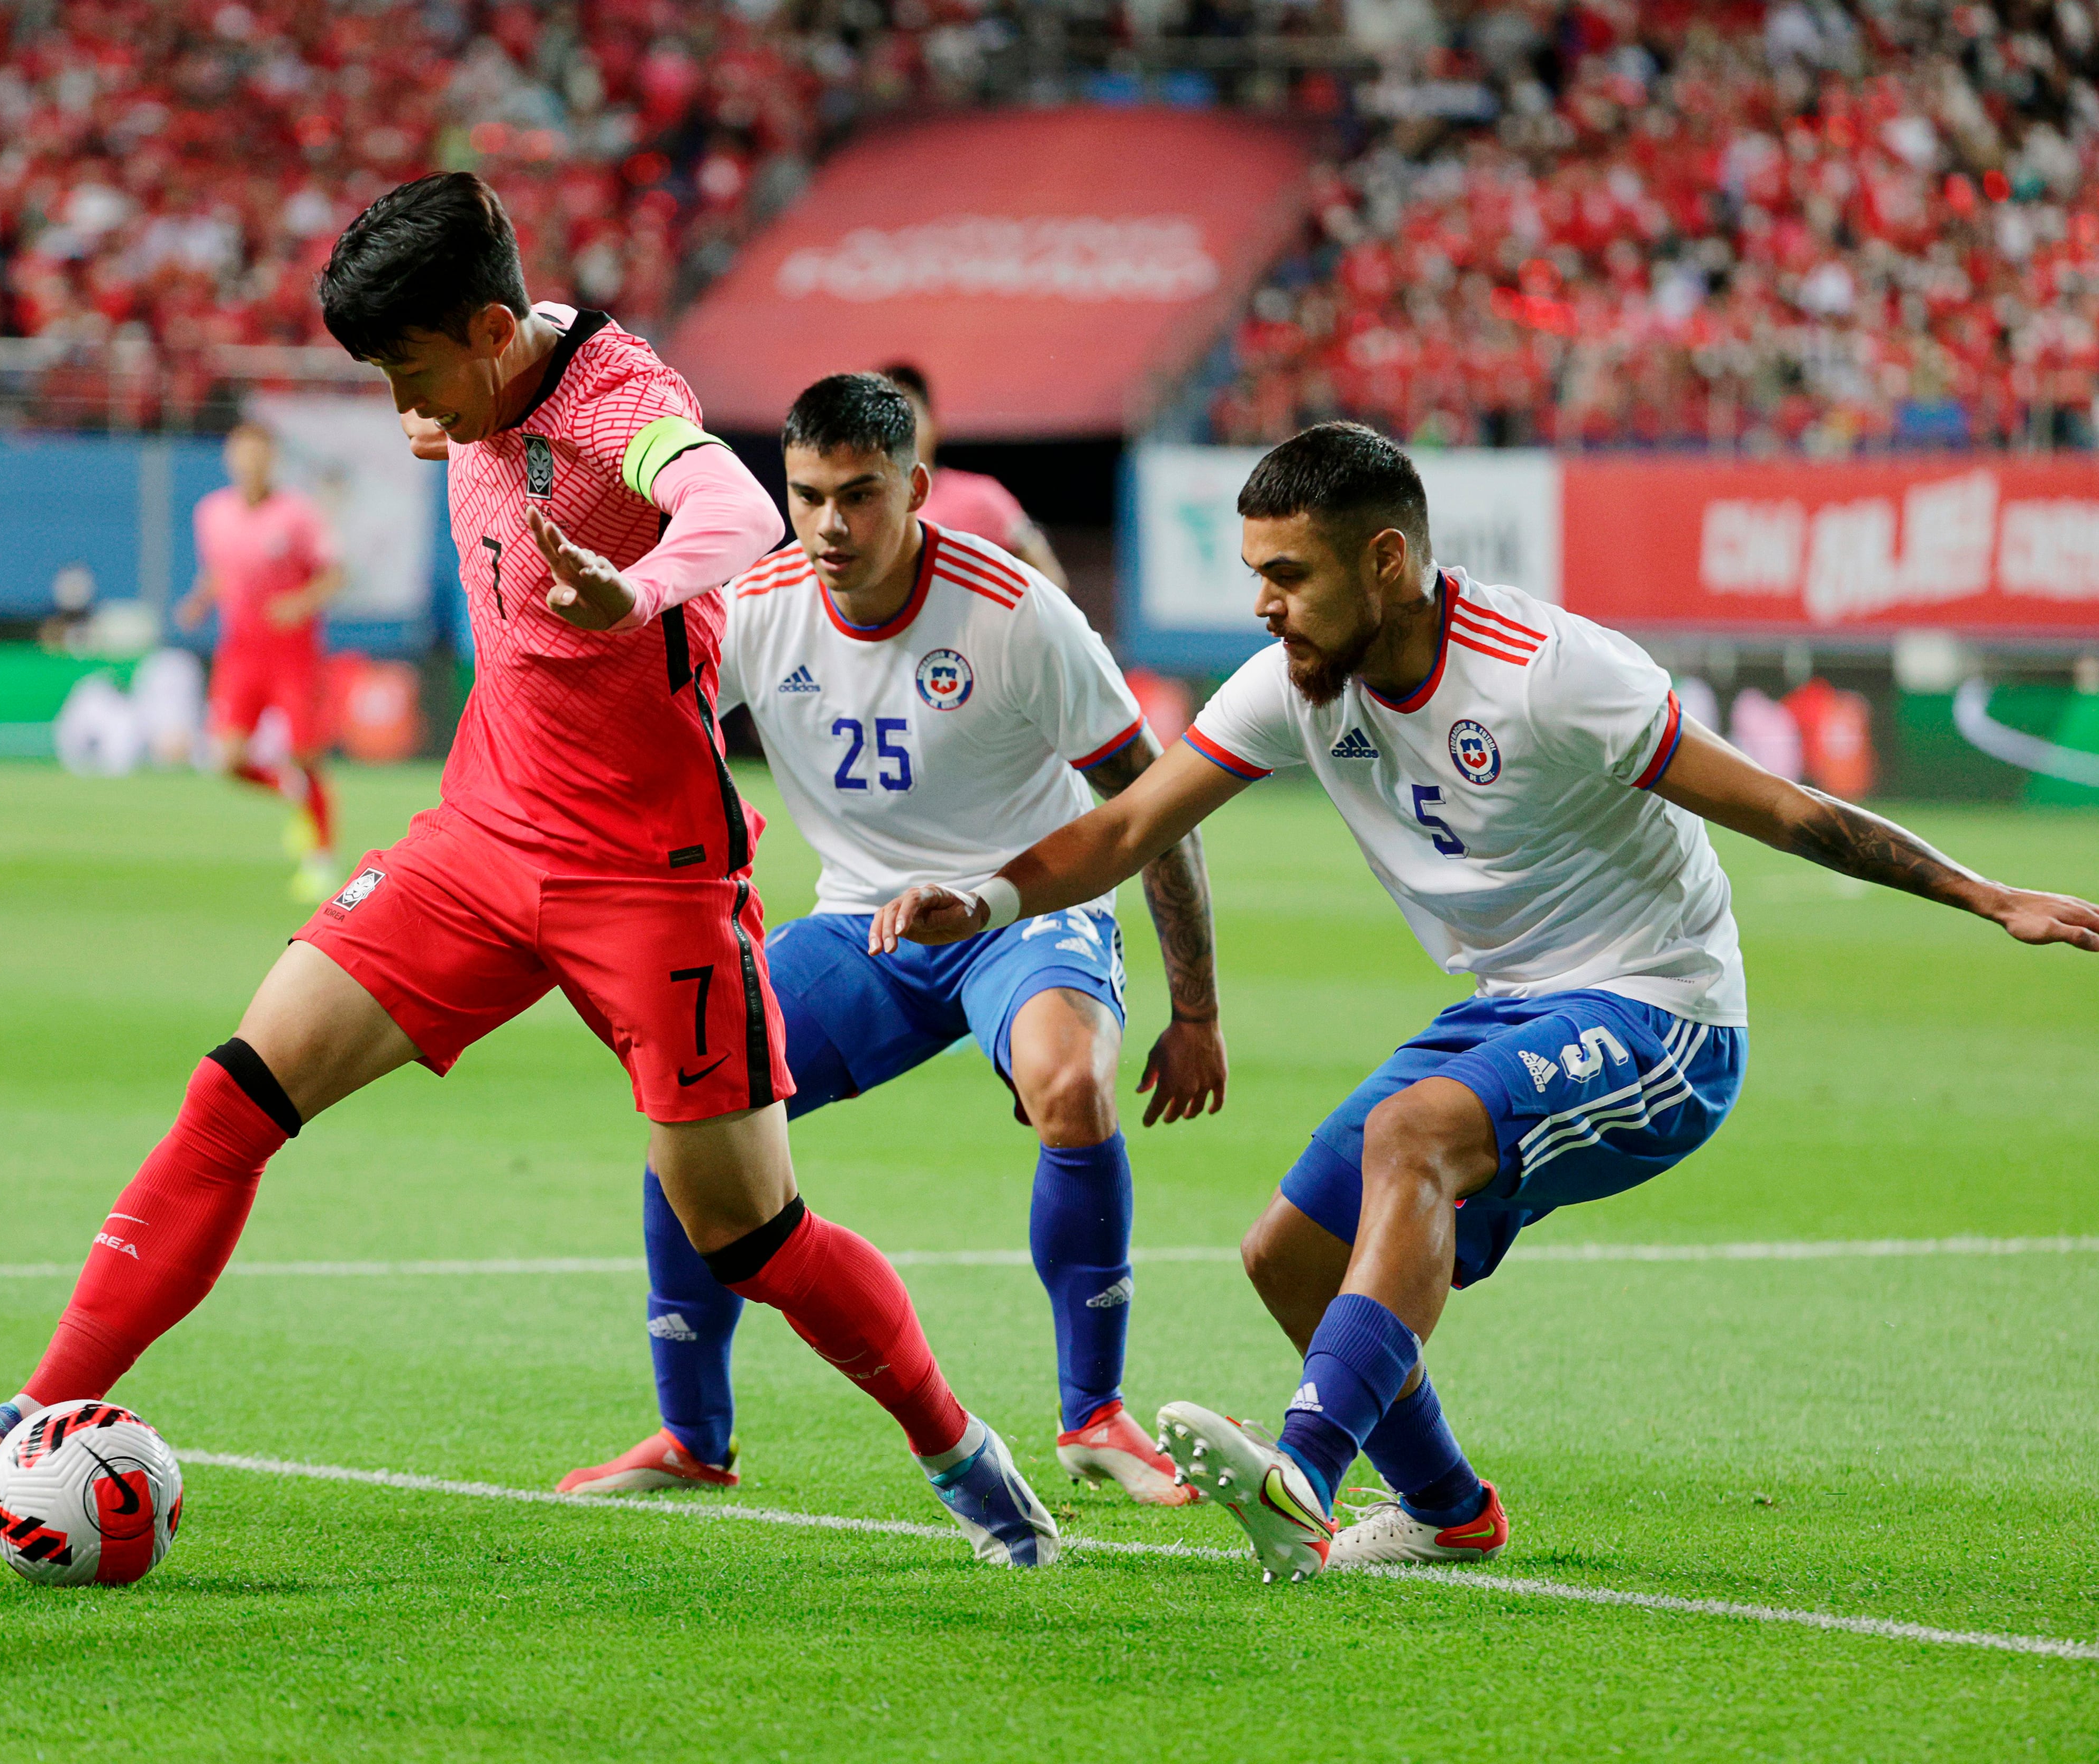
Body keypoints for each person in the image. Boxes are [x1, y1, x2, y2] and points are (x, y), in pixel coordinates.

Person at [0, 173, 1062, 1569]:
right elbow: (485, 417)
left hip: (651, 880)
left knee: (750, 1233)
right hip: (479, 839)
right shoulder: (494, 370)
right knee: (238, 1088)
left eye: (412, 376)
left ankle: (960, 1450)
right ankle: (38, 1405)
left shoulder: (620, 400)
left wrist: (647, 586)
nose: (402, 412)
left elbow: (731, 503)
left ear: (493, 328)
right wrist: (454, 408)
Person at [871, 422, 2099, 1580]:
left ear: (1386, 560)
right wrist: (979, 902)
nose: (1263, 604)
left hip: (1660, 1005)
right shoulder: (1296, 682)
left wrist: (1987, 896)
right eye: (1256, 574)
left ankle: (1302, 1475)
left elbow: (1789, 808)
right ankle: (1451, 1515)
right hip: (1514, 1002)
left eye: (1288, 574)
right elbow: (1128, 826)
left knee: (1412, 1138)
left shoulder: (1551, 675)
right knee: (1286, 1256)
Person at [559, 374, 1225, 1506]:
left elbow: (1147, 802)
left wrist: (1197, 1010)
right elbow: (637, 758)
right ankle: (692, 1437)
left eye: (860, 495)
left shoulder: (1018, 612)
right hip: (859, 922)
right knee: (694, 1098)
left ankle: (1094, 1415)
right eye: (808, 495)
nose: (830, 524)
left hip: (1024, 911)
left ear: (916, 487)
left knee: (1071, 1086)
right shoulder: (754, 604)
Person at [173, 422, 347, 902]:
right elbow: (219, 569)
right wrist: (199, 600)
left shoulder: (298, 515)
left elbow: (335, 576)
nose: (249, 464)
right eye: (241, 454)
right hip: (241, 651)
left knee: (306, 757)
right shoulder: (212, 513)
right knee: (226, 760)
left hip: (292, 653)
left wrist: (299, 603)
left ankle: (322, 860)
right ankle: (289, 792)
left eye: (259, 455)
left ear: (272, 460)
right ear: (230, 459)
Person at [877, 363, 1068, 587]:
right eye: (887, 422)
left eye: (909, 418)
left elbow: (1051, 578)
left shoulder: (984, 496)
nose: (899, 434)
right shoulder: (864, 506)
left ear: (935, 425)